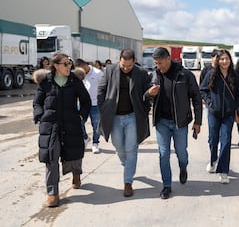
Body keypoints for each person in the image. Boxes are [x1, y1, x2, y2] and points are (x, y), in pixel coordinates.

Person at [33, 53, 91, 207]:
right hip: (51, 126)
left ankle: (76, 174)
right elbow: (37, 102)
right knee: (51, 158)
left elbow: (86, 101)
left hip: (71, 124)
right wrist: (39, 116)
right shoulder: (45, 82)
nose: (68, 67)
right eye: (65, 64)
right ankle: (52, 193)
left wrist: (81, 116)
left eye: (70, 63)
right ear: (56, 65)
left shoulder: (74, 81)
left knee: (74, 153)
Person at [146, 47, 202, 199]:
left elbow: (196, 98)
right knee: (163, 154)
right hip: (162, 122)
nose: (159, 66)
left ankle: (183, 168)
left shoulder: (185, 75)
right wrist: (148, 94)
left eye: (161, 63)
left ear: (168, 59)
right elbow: (145, 96)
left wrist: (198, 121)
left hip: (180, 122)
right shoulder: (154, 75)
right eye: (156, 63)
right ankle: (166, 185)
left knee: (181, 153)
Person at [97, 49, 151, 197]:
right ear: (119, 60)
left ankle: (128, 182)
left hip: (133, 116)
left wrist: (145, 109)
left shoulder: (141, 73)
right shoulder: (109, 70)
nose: (126, 68)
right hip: (114, 117)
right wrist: (103, 109)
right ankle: (126, 166)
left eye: (129, 65)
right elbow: (101, 90)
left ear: (134, 61)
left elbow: (147, 93)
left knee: (131, 148)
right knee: (118, 146)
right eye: (123, 65)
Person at [200, 49, 239, 184]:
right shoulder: (212, 74)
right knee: (213, 140)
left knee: (226, 141)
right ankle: (213, 160)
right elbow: (203, 89)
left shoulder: (234, 75)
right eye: (222, 59)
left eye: (227, 59)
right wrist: (209, 102)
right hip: (213, 113)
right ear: (218, 61)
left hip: (228, 114)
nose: (224, 61)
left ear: (230, 60)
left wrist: (234, 106)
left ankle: (223, 171)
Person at [74, 59, 104, 153]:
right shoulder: (77, 74)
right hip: (82, 103)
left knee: (96, 125)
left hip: (95, 104)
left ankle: (95, 143)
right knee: (78, 122)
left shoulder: (98, 73)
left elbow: (104, 87)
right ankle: (85, 137)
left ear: (84, 66)